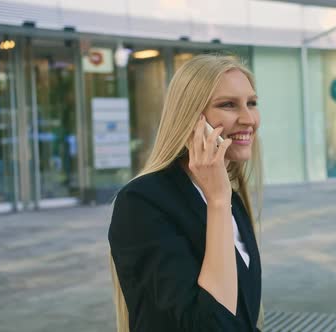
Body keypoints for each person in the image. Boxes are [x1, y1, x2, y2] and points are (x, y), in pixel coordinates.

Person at [108, 55, 263, 331]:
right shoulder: (141, 202)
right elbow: (210, 324)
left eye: (251, 103)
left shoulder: (230, 198)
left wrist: (220, 198)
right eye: (228, 105)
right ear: (191, 119)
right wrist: (217, 201)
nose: (248, 118)